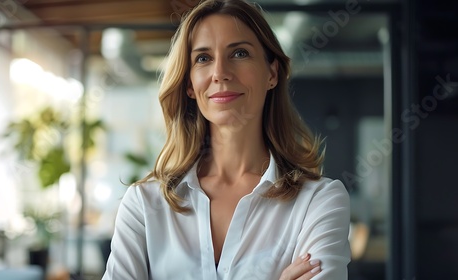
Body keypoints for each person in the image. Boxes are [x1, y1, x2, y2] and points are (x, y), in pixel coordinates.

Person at [102, 0, 350, 279]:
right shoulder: (144, 205)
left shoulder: (318, 202)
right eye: (203, 58)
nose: (220, 73)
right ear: (189, 85)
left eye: (240, 53)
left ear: (272, 72)